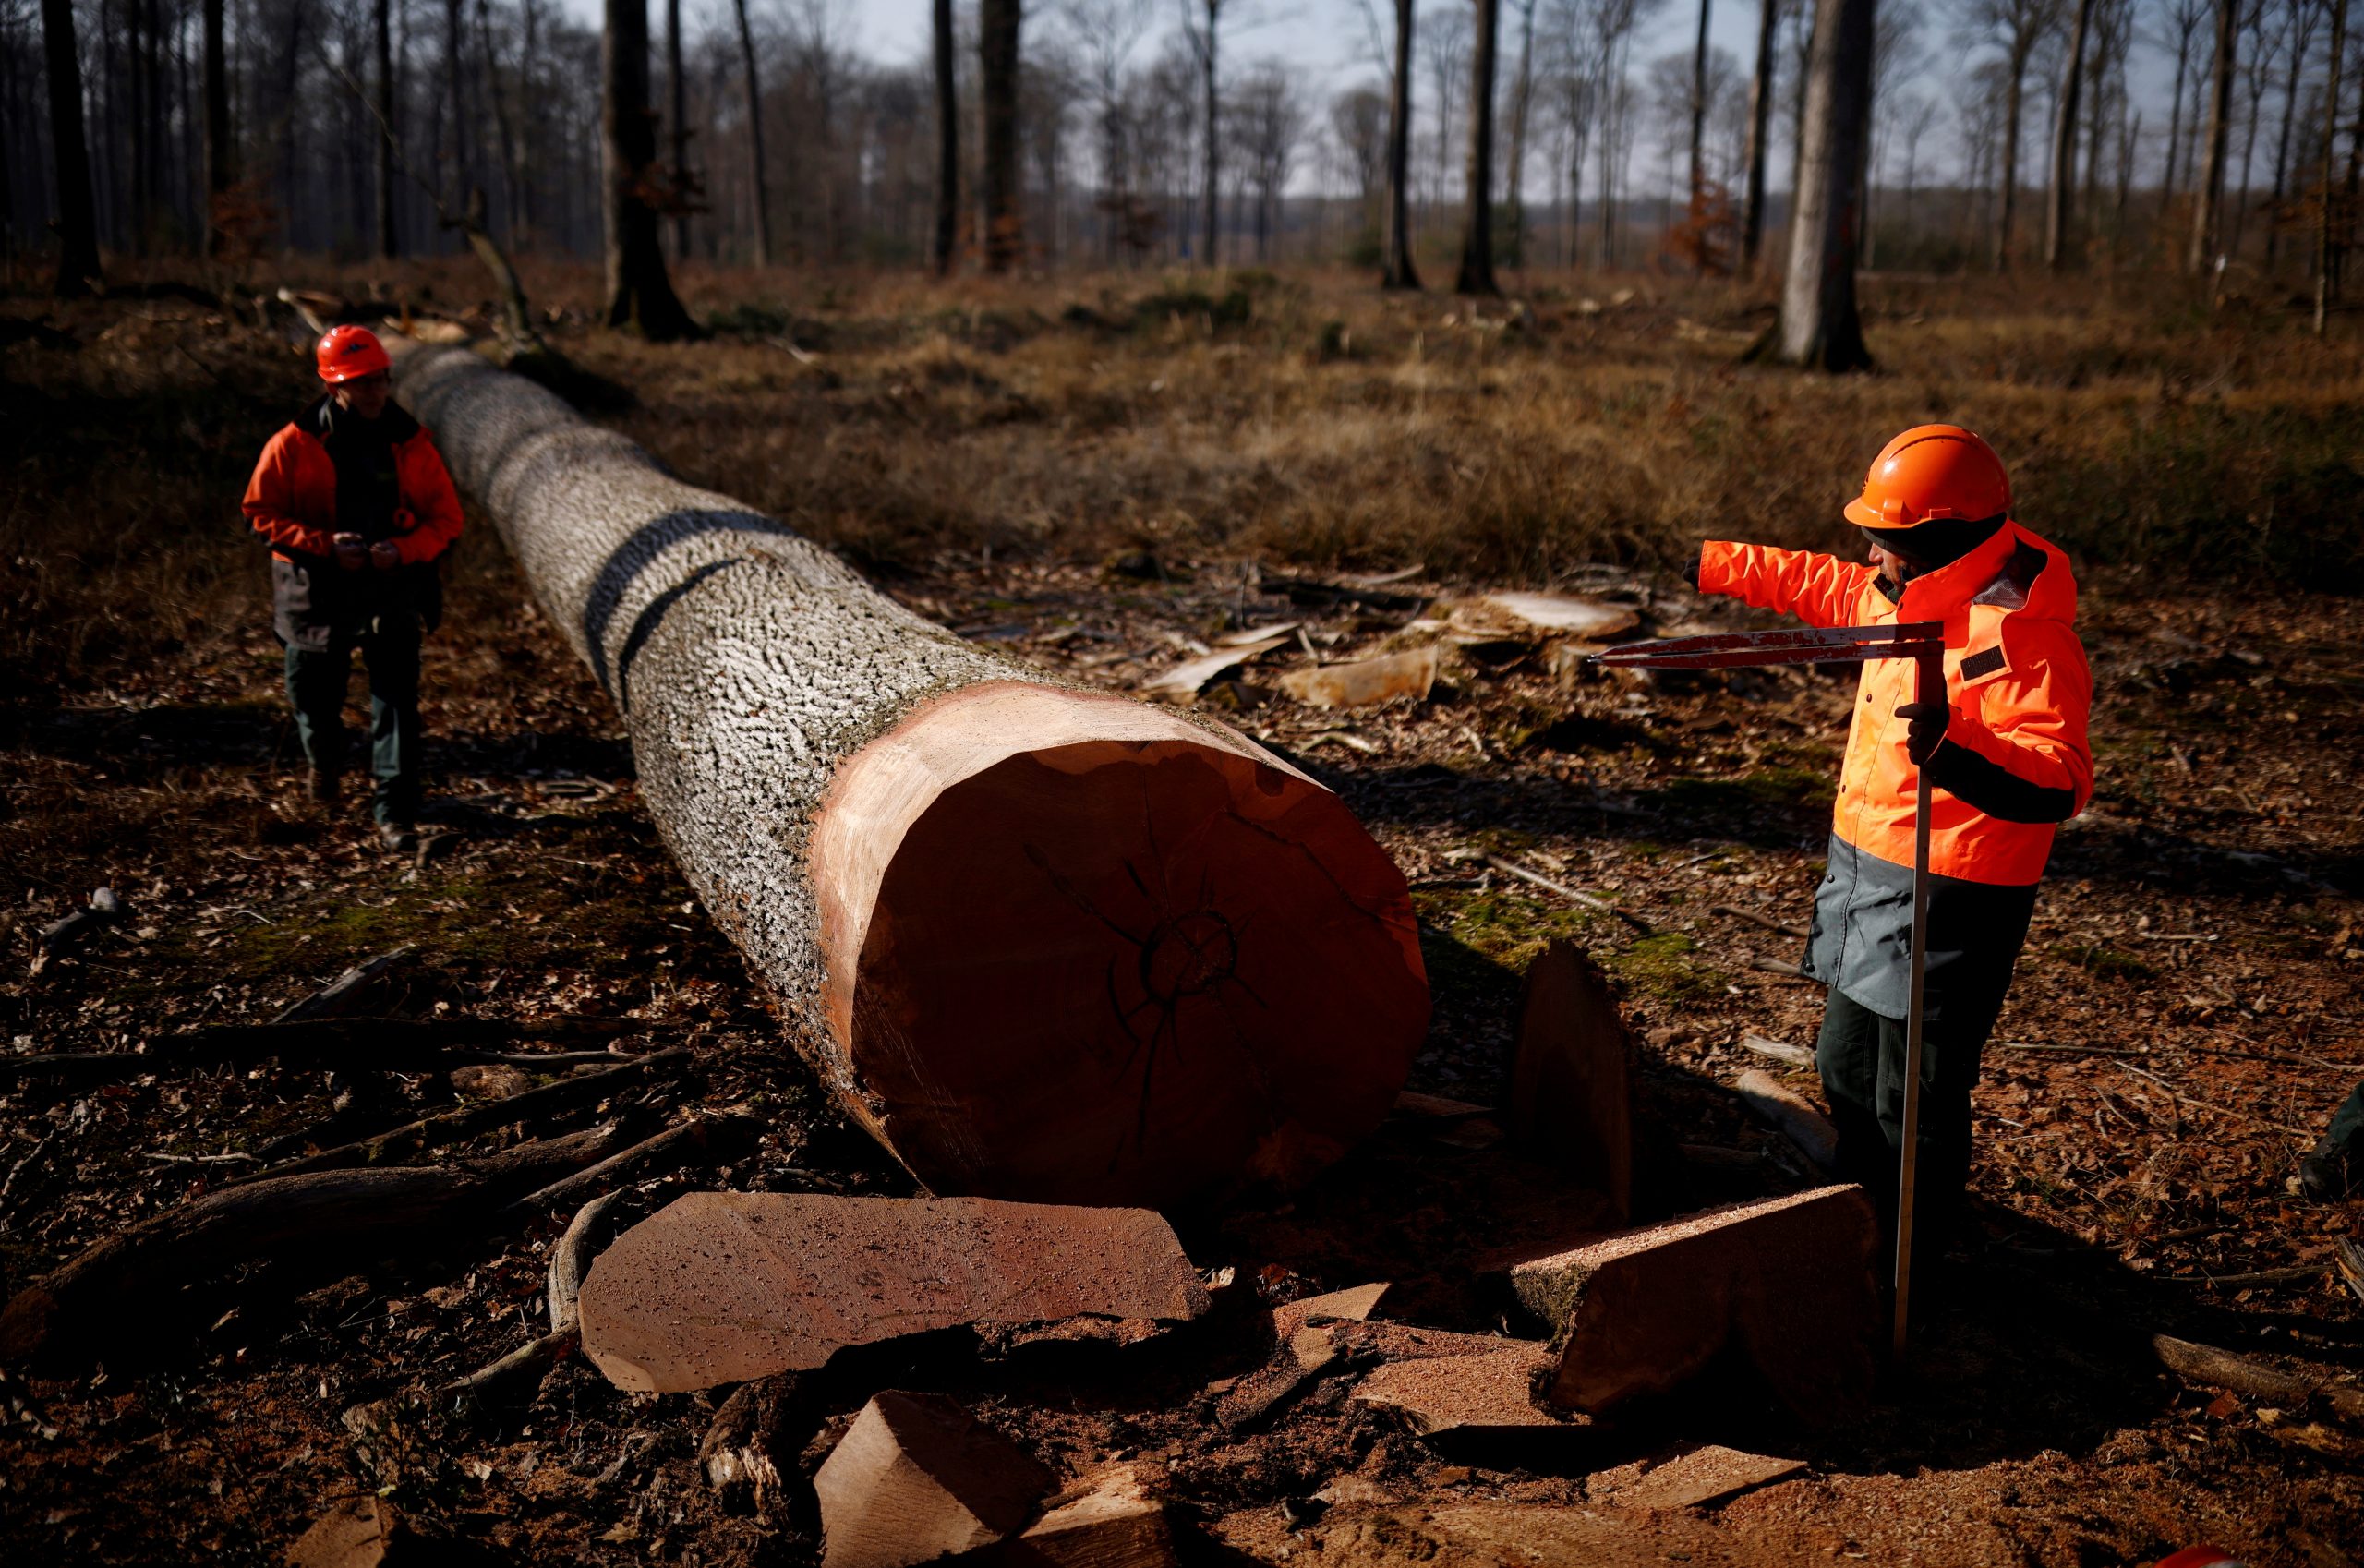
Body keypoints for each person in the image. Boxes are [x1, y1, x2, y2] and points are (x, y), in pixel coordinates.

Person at [1690, 425, 2094, 1274]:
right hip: (1867, 859)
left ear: (1942, 540)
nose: (1870, 548)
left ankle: (1913, 1258)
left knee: (1914, 1096)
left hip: (1956, 887)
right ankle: (1859, 1217)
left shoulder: (2021, 633)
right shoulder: (1902, 588)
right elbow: (1824, 584)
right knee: (1842, 1064)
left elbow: (2058, 781)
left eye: (1888, 535)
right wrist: (1713, 563)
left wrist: (1957, 748)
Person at [242, 326, 463, 850]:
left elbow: (447, 519)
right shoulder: (292, 444)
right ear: (332, 385)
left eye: (381, 380)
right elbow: (260, 511)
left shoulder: (411, 442)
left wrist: (402, 551)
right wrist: (321, 545)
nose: (375, 392)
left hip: (392, 590)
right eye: (362, 382)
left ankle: (395, 814)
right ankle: (324, 764)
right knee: (314, 702)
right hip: (314, 591)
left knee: (396, 704)